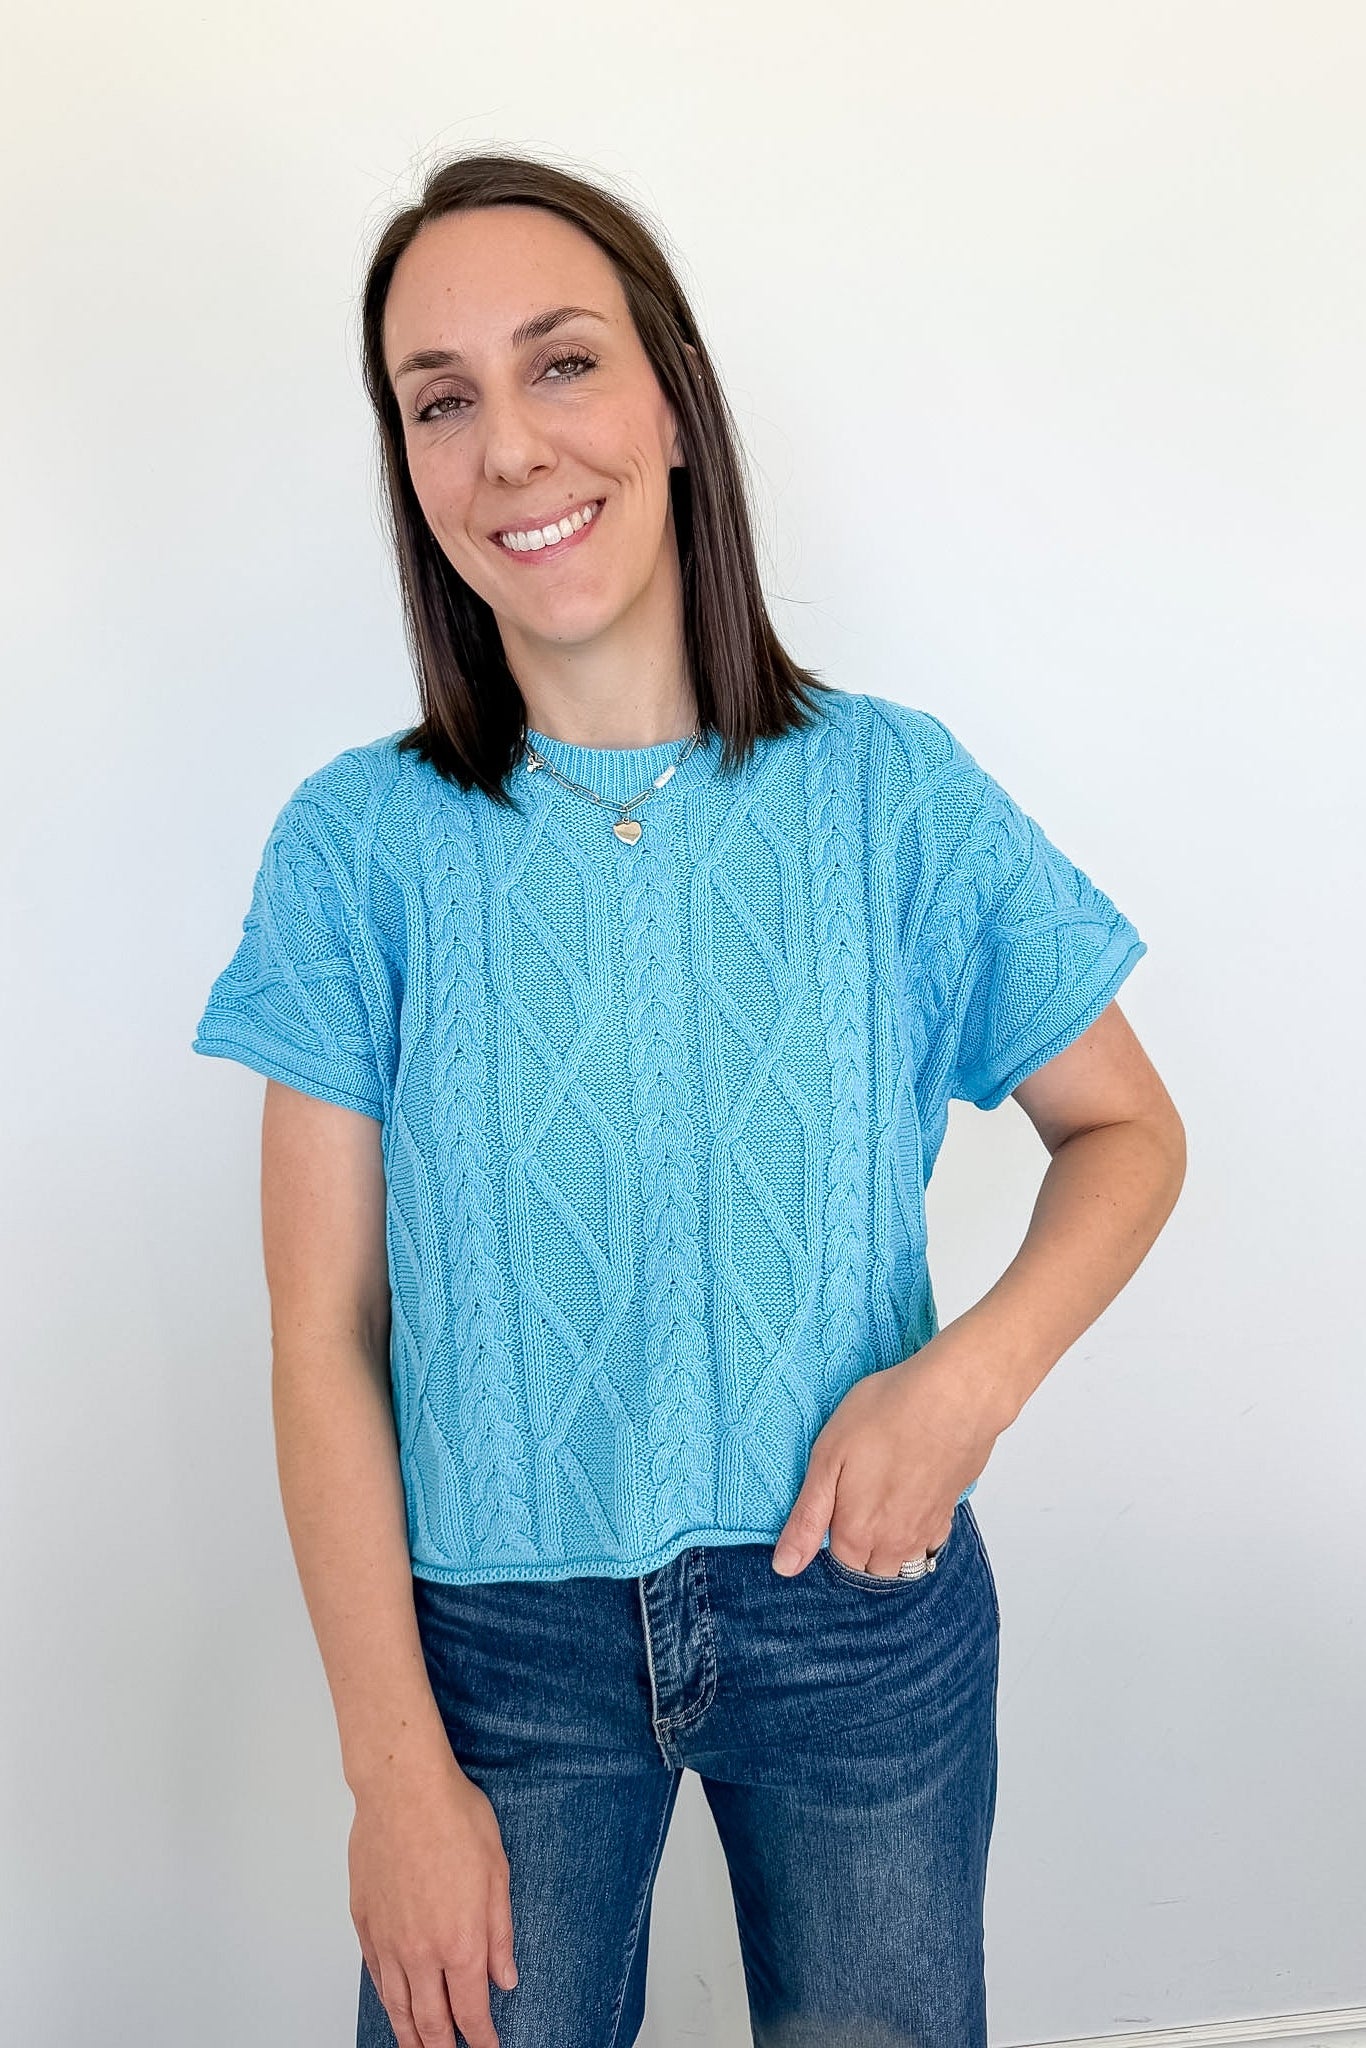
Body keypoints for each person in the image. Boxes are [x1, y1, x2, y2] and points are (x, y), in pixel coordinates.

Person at [191, 150, 1185, 2048]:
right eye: (439, 401)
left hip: (857, 1604)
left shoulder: (890, 794)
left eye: (560, 363)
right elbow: (321, 1332)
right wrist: (393, 1777)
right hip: (492, 1660)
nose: (508, 448)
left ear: (672, 400)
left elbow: (1130, 1135)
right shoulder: (355, 848)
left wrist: (959, 1386)